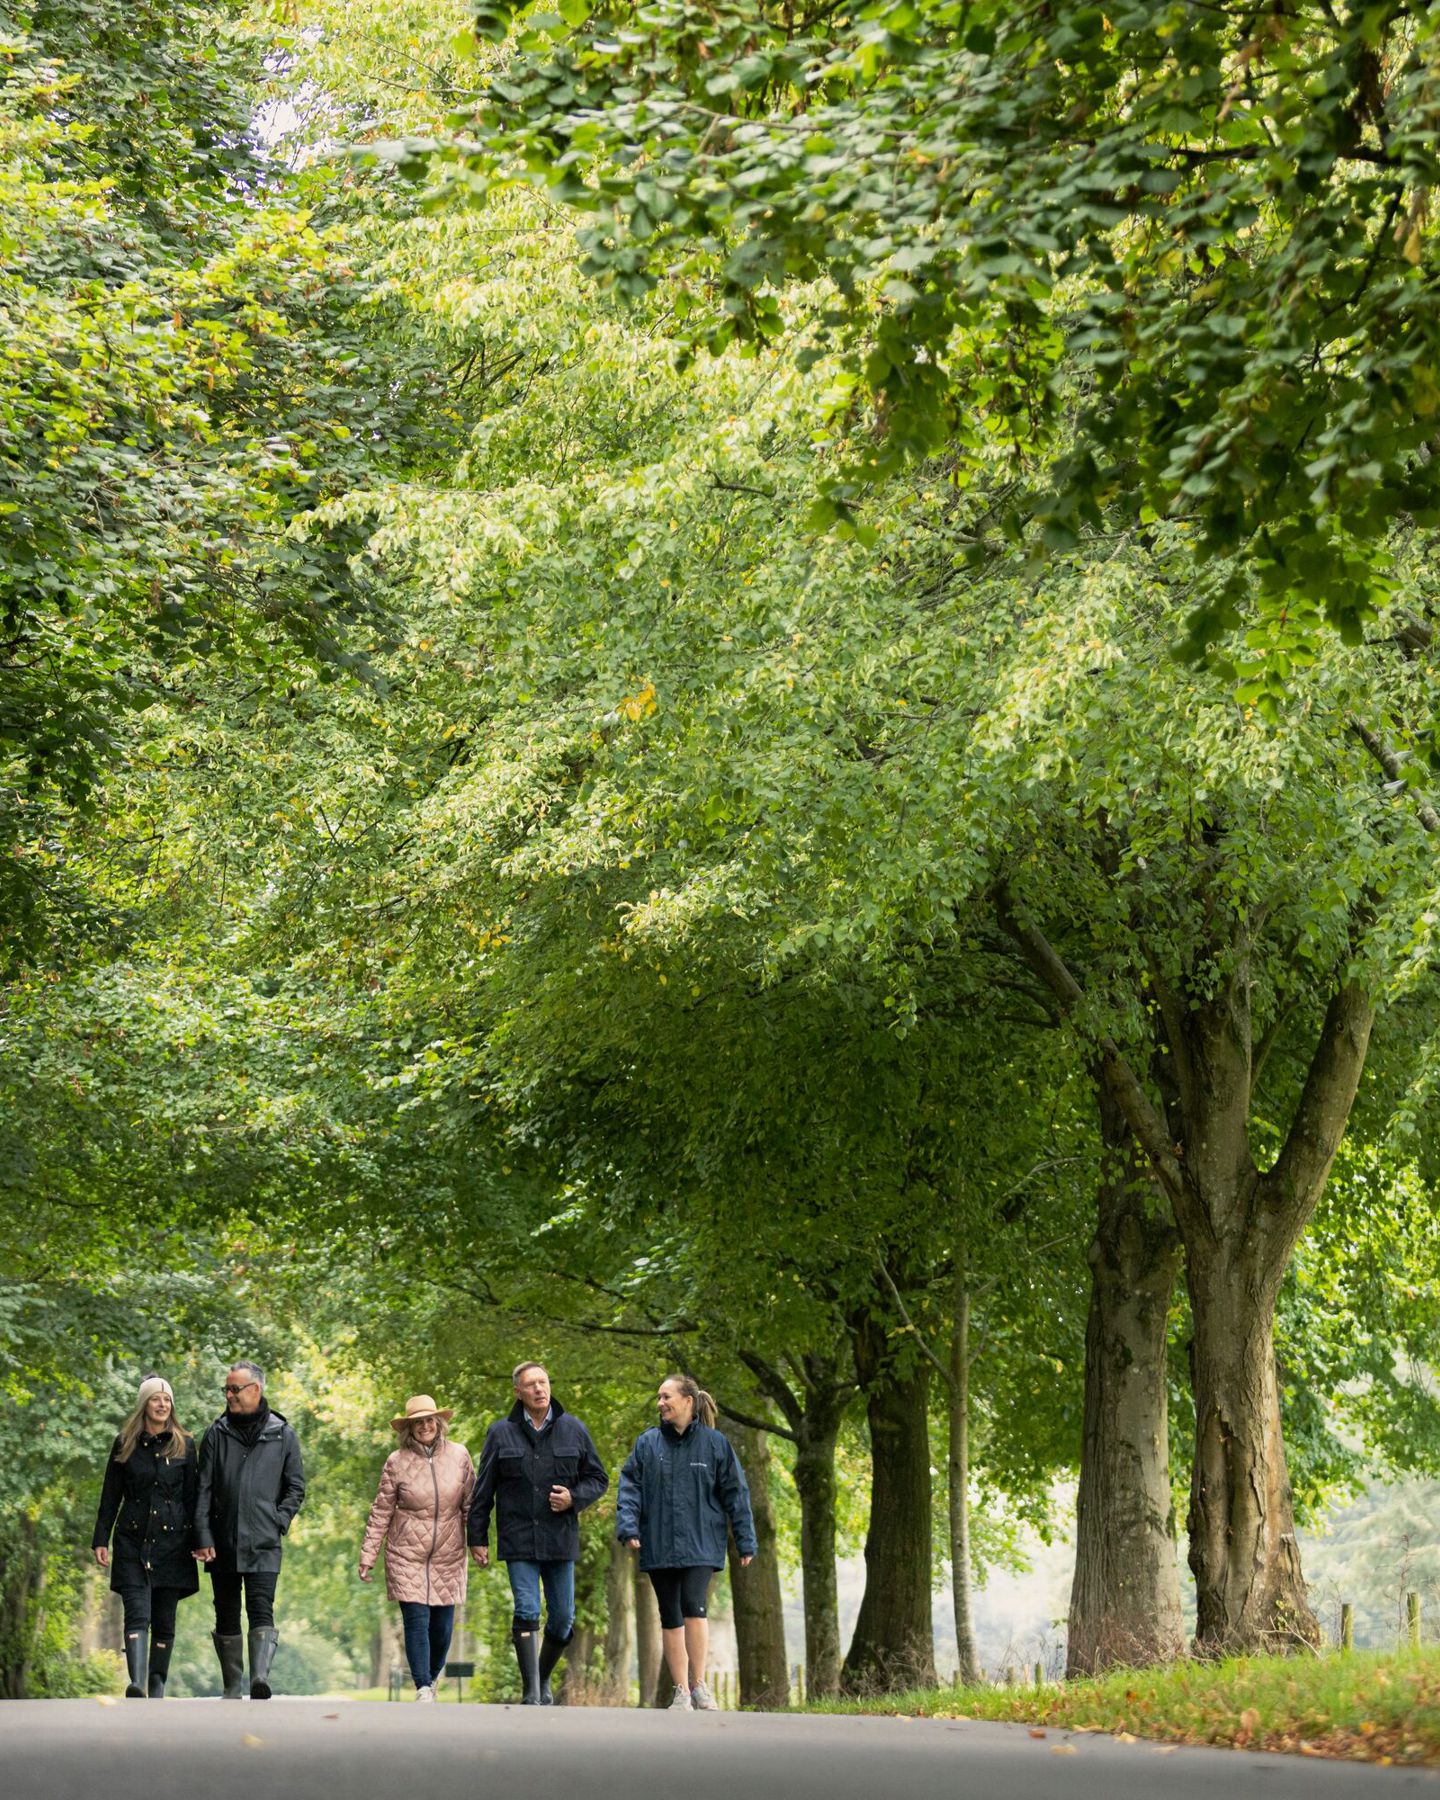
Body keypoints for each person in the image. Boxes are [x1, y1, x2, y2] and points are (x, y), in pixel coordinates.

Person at [468, 1361, 608, 1705]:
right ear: (518, 1392)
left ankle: (542, 1677)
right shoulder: (500, 1432)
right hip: (518, 1538)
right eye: (530, 1384)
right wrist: (477, 1537)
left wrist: (574, 1498)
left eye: (543, 1382)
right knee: (527, 1609)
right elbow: (483, 1489)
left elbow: (598, 1479)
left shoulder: (573, 1429)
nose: (539, 1389)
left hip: (560, 1538)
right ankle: (531, 1691)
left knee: (562, 1619)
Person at [617, 1372, 757, 1712]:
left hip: (701, 1541)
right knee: (670, 1614)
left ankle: (699, 1685)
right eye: (659, 1398)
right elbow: (630, 1487)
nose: (661, 1403)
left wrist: (745, 1539)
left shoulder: (714, 1444)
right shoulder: (647, 1443)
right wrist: (629, 1526)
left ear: (688, 1401)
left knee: (694, 1605)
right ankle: (680, 1690)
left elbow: (735, 1493)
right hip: (659, 1540)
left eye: (667, 1397)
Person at [193, 1359, 306, 1700]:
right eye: (226, 1389)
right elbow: (203, 1489)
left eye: (235, 1389)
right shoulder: (215, 1433)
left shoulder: (282, 1434)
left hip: (264, 1540)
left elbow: (295, 1487)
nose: (229, 1395)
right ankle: (231, 1685)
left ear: (256, 1390)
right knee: (225, 1610)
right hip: (222, 1540)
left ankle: (259, 1679)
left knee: (261, 1607)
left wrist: (279, 1520)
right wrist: (202, 1535)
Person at [360, 1395, 475, 1703]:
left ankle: (432, 1677)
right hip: (405, 1553)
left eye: (429, 1420)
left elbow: (471, 1505)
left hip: (449, 1553)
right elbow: (381, 1510)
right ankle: (423, 1686)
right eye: (418, 1422)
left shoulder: (460, 1455)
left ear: (439, 1423)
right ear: (408, 1429)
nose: (425, 1426)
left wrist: (478, 1543)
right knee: (416, 1620)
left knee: (442, 1627)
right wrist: (368, 1555)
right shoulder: (396, 1461)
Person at [90, 1375, 199, 1698]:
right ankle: (136, 1682)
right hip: (132, 1542)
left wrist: (201, 1540)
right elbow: (110, 1495)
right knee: (137, 1611)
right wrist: (100, 1538)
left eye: (167, 1400)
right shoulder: (124, 1443)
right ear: (144, 1404)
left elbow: (193, 1498)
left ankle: (157, 1684)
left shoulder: (185, 1444)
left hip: (174, 1544)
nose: (162, 1404)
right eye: (156, 1399)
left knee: (164, 1619)